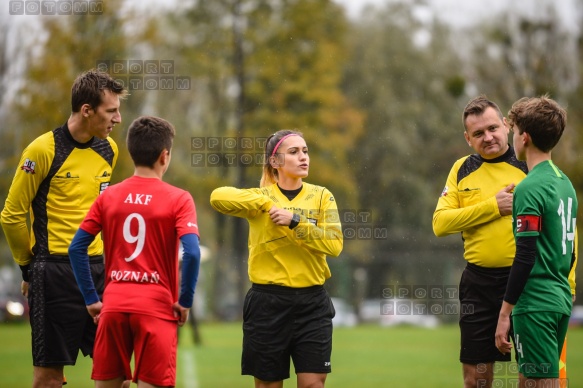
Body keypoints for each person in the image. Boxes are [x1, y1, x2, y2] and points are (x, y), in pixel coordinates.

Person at [0, 69, 126, 387]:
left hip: (99, 272)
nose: (118, 119)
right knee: (49, 379)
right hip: (54, 273)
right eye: (111, 111)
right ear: (87, 110)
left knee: (119, 373)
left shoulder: (109, 149)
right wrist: (29, 269)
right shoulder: (42, 151)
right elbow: (12, 215)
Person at [68, 115, 201, 387]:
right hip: (157, 307)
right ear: (165, 156)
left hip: (114, 305)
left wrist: (92, 299)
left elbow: (76, 248)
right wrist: (185, 301)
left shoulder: (108, 196)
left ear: (131, 152)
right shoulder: (179, 198)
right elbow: (192, 253)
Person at [210, 129, 343, 388]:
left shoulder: (322, 196)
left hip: (312, 303)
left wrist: (296, 221)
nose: (303, 157)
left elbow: (335, 245)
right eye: (293, 152)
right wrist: (265, 203)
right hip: (267, 304)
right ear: (275, 162)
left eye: (305, 151)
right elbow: (217, 197)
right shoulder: (260, 198)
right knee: (268, 385)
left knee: (313, 384)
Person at [432, 96, 528, 388]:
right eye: (478, 134)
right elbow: (440, 224)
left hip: (526, 281)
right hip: (478, 285)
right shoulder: (461, 169)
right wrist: (493, 207)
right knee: (476, 380)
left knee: (533, 376)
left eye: (492, 128)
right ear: (467, 138)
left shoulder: (529, 166)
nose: (487, 137)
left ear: (506, 125)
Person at [495, 96, 577, 387]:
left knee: (539, 383)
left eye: (514, 131)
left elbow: (526, 255)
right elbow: (572, 253)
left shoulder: (529, 187)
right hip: (559, 300)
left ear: (525, 137)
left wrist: (505, 313)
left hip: (536, 305)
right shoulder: (564, 183)